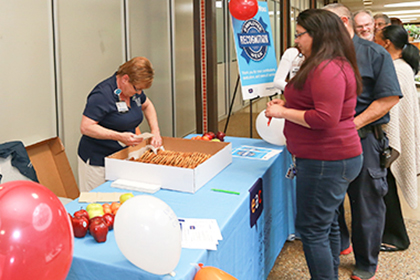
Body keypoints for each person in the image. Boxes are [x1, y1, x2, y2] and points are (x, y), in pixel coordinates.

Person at [265, 9, 363, 280]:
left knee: (311, 229)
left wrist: (283, 113)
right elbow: (318, 104)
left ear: (318, 34)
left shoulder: (326, 68)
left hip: (326, 160)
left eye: (299, 35)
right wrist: (288, 104)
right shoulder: (328, 63)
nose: (296, 41)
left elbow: (325, 118)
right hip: (331, 158)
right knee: (327, 223)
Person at [324, 4, 402, 280]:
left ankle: (367, 263)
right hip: (327, 142)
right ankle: (341, 243)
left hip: (364, 139)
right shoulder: (324, 54)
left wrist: (352, 124)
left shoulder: (373, 53)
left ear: (343, 21)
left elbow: (389, 98)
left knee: (366, 202)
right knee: (330, 200)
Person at [77, 57, 162, 192]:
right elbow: (86, 127)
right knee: (96, 201)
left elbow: (147, 105)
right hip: (98, 160)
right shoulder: (102, 95)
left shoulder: (134, 93)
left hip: (122, 157)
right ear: (125, 79)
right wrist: (119, 136)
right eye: (137, 89)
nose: (139, 93)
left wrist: (155, 131)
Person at [374, 25, 420, 252]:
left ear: (387, 43)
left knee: (387, 188)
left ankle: (396, 237)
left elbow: (392, 108)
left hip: (388, 140)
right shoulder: (399, 66)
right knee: (385, 188)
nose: (372, 38)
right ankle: (387, 232)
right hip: (387, 139)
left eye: (376, 36)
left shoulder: (397, 69)